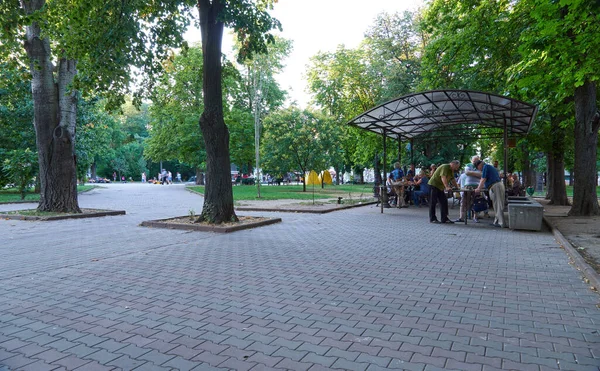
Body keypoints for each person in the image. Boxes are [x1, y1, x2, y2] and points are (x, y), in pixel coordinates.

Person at [474, 160, 506, 228]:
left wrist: (478, 188)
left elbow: (483, 179)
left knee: (498, 204)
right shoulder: (490, 167)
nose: (479, 170)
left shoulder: (486, 167)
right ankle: (497, 221)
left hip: (496, 186)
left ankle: (501, 223)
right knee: (496, 205)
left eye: (478, 168)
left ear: (479, 165)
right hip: (497, 186)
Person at [456, 156, 482, 222]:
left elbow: (482, 175)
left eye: (476, 160)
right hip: (467, 185)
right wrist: (477, 174)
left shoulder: (480, 166)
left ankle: (475, 217)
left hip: (477, 186)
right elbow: (467, 173)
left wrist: (471, 173)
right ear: (471, 160)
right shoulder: (468, 165)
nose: (474, 162)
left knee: (476, 201)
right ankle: (461, 217)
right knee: (464, 201)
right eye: (473, 160)